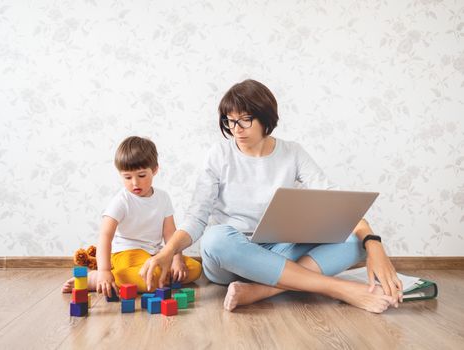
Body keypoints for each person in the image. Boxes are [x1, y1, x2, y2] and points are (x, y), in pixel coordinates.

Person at [139, 79, 403, 313]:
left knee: (353, 240)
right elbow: (197, 216)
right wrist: (168, 252)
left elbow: (335, 201)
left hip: (280, 250)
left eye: (245, 119)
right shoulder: (219, 154)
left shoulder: (293, 152)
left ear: (266, 118)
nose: (236, 129)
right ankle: (336, 288)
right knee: (215, 238)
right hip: (231, 258)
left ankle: (259, 290)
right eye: (230, 121)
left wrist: (373, 243)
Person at [62, 136, 202, 296]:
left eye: (141, 176)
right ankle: (97, 279)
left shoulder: (163, 198)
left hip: (155, 253)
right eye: (127, 177)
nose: (135, 183)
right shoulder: (121, 201)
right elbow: (105, 237)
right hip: (127, 253)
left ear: (155, 169)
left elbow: (170, 233)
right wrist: (104, 271)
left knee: (194, 269)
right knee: (153, 276)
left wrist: (176, 260)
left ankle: (151, 276)